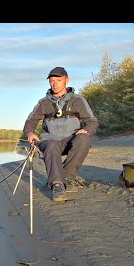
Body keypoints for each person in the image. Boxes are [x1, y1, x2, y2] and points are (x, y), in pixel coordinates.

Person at [23, 67, 99, 202]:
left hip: (70, 140)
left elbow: (92, 122)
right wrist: (30, 133)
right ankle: (57, 185)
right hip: (49, 142)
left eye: (58, 80)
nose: (55, 83)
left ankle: (67, 177)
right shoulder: (43, 102)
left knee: (84, 138)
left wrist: (87, 130)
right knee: (51, 144)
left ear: (66, 80)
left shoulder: (78, 100)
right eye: (52, 81)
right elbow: (31, 120)